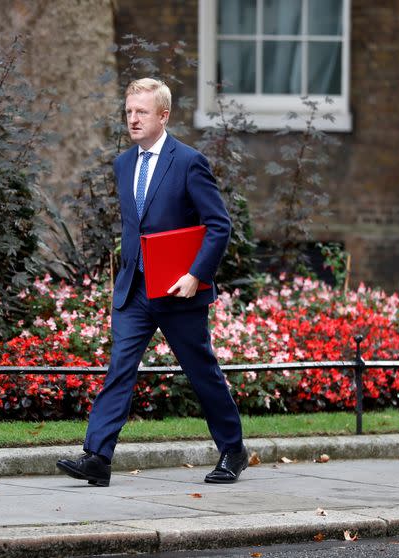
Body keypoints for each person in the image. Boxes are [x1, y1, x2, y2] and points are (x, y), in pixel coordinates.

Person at [56, 78, 248, 487]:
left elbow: (219, 225)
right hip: (135, 290)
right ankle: (97, 458)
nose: (133, 118)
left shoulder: (189, 161)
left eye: (141, 111)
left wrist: (196, 276)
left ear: (163, 115)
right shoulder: (123, 164)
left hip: (180, 291)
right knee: (119, 370)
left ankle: (233, 449)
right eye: (128, 111)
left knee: (201, 372)